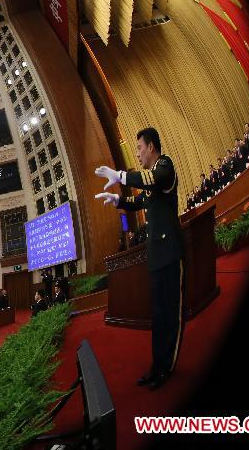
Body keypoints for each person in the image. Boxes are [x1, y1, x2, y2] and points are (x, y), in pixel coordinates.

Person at [96, 127, 184, 391]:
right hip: (156, 255)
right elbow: (139, 201)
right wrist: (118, 200)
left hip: (171, 253)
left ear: (152, 148)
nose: (137, 153)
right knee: (158, 315)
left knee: (172, 314)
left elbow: (153, 178)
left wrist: (121, 175)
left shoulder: (164, 167)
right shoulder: (149, 181)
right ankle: (157, 366)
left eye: (139, 148)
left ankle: (168, 367)